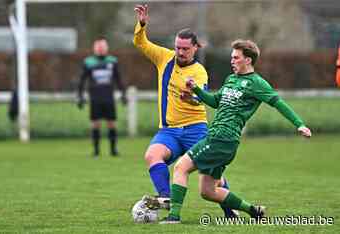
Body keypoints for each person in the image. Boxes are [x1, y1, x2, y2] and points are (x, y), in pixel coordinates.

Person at [160, 39, 312, 224]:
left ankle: (174, 217)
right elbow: (216, 101)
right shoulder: (231, 79)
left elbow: (278, 103)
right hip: (221, 140)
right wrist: (196, 90)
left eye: (236, 57)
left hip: (222, 138)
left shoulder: (257, 83)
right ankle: (253, 211)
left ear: (247, 60)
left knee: (180, 167)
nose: (232, 60)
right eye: (232, 57)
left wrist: (299, 124)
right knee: (208, 191)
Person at [133, 4, 237, 218]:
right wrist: (141, 24)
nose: (180, 52)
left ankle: (230, 210)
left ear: (195, 48)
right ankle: (166, 197)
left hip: (195, 129)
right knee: (152, 155)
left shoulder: (199, 72)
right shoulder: (164, 58)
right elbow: (140, 42)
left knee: (211, 174)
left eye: (185, 49)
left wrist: (192, 97)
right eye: (178, 47)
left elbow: (202, 99)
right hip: (169, 130)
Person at [77, 36, 127, 157]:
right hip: (95, 98)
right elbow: (82, 80)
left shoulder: (112, 61)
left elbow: (118, 79)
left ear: (106, 48)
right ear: (94, 48)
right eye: (98, 47)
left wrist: (123, 94)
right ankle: (96, 151)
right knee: (95, 124)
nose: (100, 49)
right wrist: (80, 96)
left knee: (111, 123)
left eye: (102, 47)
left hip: (108, 98)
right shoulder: (88, 62)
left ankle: (113, 150)